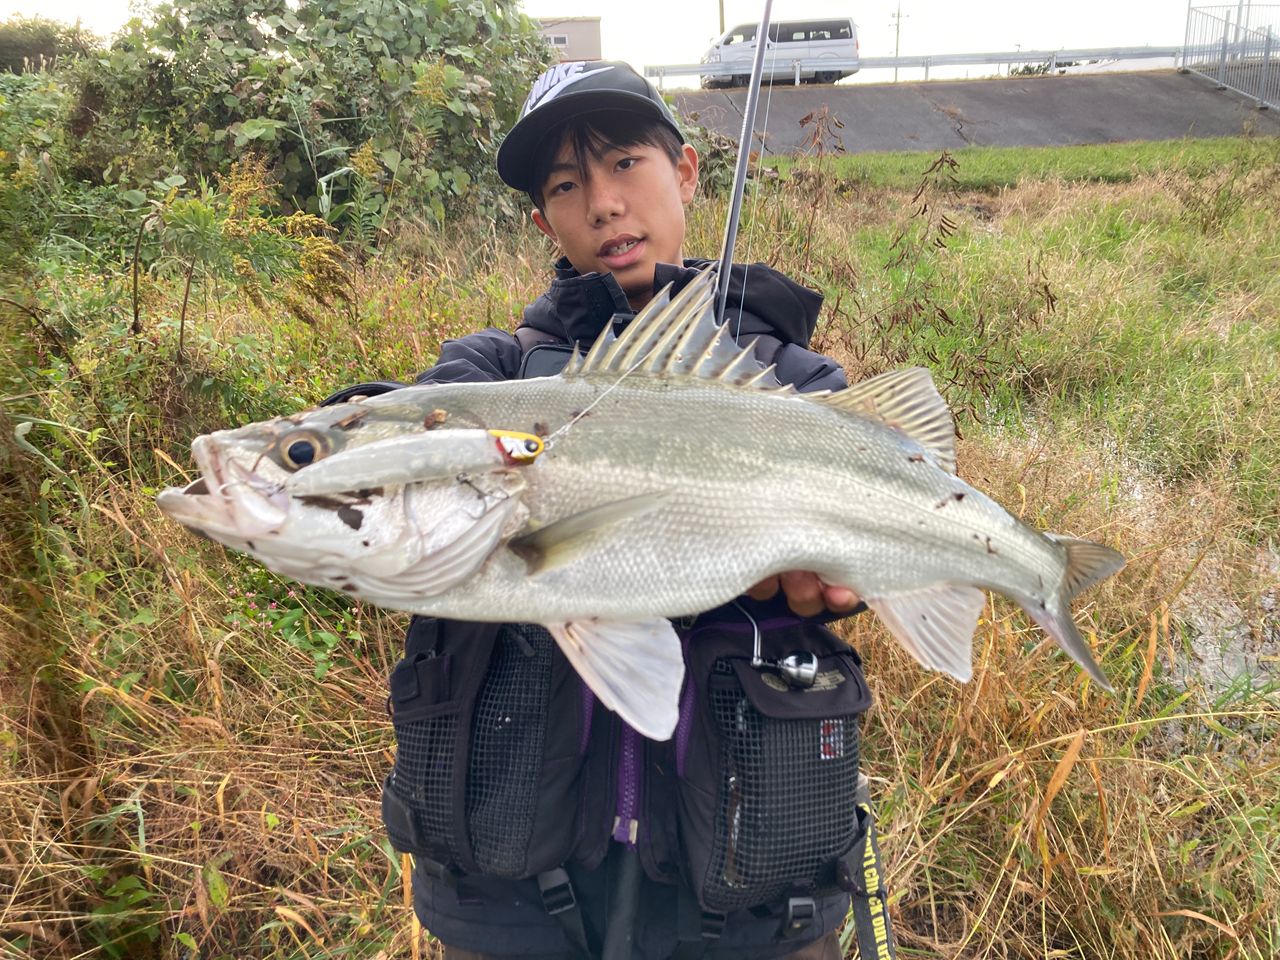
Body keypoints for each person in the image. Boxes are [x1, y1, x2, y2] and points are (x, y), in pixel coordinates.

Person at [330, 61, 882, 960]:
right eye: (565, 185)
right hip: (511, 901)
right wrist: (334, 442)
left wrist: (841, 583)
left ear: (687, 172)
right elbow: (402, 418)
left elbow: (866, 539)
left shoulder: (790, 381)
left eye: (625, 163)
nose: (602, 203)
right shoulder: (494, 372)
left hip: (748, 887)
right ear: (543, 222)